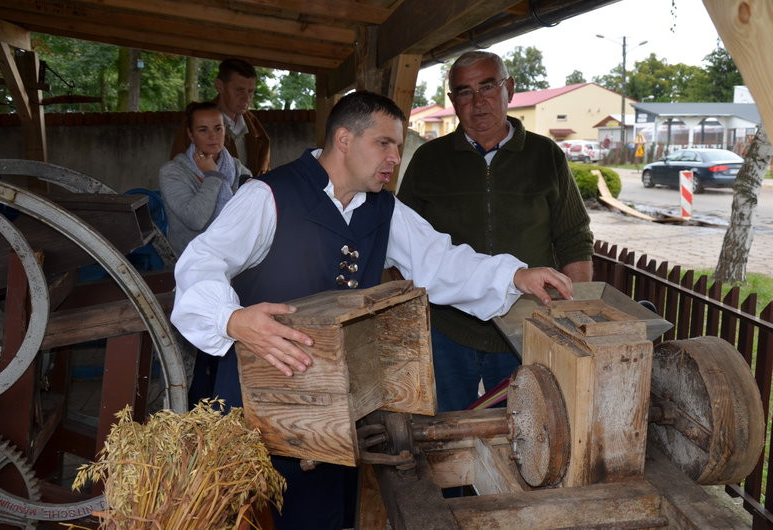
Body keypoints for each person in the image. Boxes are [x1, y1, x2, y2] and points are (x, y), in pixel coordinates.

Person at [170, 90, 573, 530]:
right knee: (242, 513)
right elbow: (200, 262)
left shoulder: (383, 208)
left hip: (334, 402)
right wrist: (231, 319)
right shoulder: (269, 194)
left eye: (397, 146)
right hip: (258, 396)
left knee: (324, 511)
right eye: (384, 143)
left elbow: (438, 260)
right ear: (344, 140)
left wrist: (514, 276)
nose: (395, 157)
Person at [398, 51, 594, 413]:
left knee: (528, 427)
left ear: (510, 89)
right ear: (453, 100)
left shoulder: (546, 156)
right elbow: (402, 244)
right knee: (445, 428)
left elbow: (573, 237)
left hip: (527, 326)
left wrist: (575, 310)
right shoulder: (429, 160)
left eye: (487, 87)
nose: (478, 102)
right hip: (447, 328)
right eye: (465, 92)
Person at [159, 100, 251, 405]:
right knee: (200, 351)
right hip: (193, 271)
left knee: (233, 343)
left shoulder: (234, 167)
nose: (213, 136)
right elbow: (196, 218)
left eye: (218, 128)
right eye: (203, 130)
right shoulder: (173, 172)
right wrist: (212, 177)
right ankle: (197, 410)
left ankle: (231, 404)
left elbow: (250, 207)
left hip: (234, 266)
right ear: (190, 134)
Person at [170, 58, 271, 175]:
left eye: (250, 91)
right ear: (219, 86)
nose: (246, 98)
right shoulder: (195, 122)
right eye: (239, 90)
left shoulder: (255, 127)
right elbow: (178, 173)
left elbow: (264, 174)